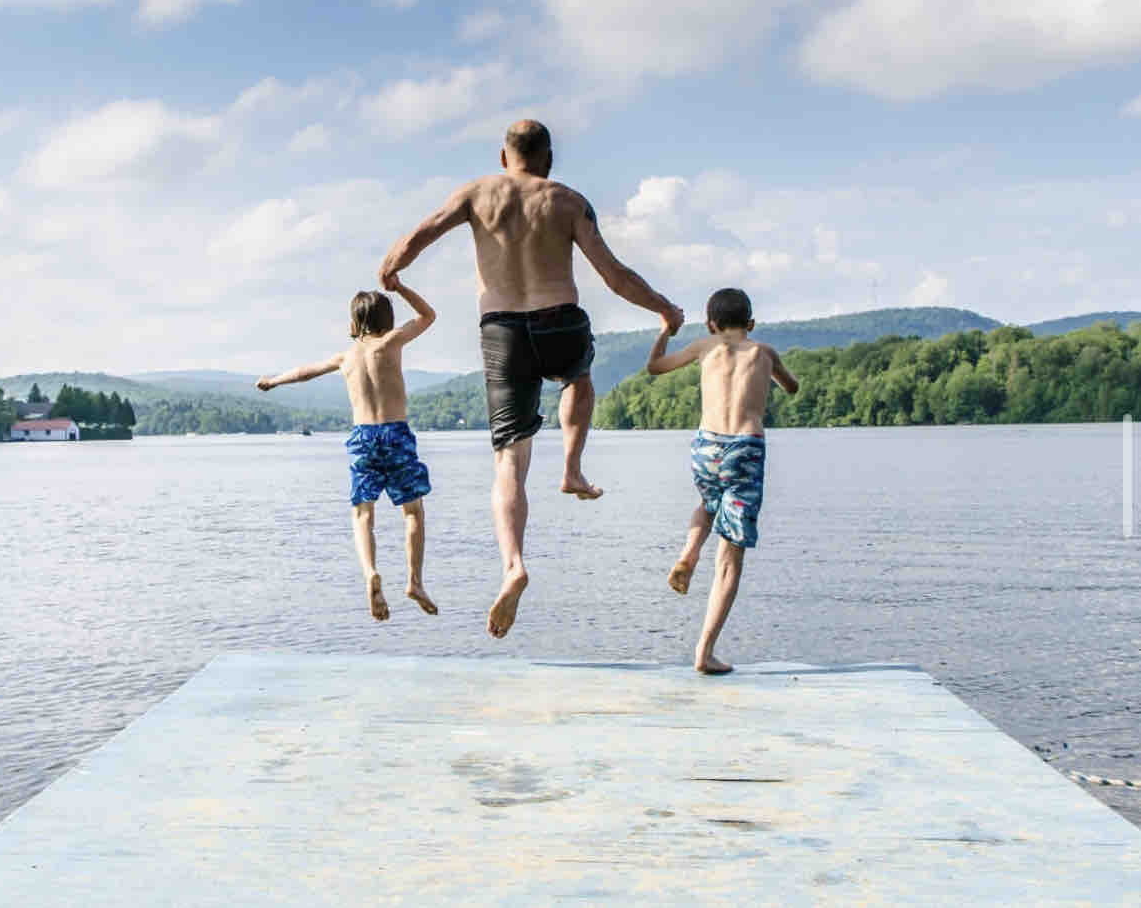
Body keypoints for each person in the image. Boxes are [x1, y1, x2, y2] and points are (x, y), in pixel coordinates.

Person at [378, 119, 684, 639]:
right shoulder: (566, 200)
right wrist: (665, 309)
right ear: (548, 160)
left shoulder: (478, 193)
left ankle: (513, 565)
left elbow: (424, 229)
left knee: (508, 464)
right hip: (560, 319)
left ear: (504, 158)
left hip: (502, 331)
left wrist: (391, 269)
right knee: (578, 374)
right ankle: (572, 468)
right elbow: (615, 275)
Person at [256, 278, 438, 623]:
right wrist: (399, 287)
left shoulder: (345, 357)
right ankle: (414, 582)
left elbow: (305, 373)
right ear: (387, 321)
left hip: (363, 437)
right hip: (396, 434)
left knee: (362, 514)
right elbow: (428, 315)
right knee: (412, 512)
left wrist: (274, 380)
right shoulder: (393, 341)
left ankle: (370, 571)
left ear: (354, 325)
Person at [646, 287, 798, 674]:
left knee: (707, 503)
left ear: (712, 324)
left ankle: (689, 551)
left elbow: (656, 366)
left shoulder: (703, 347)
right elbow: (793, 386)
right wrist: (774, 378)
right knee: (730, 560)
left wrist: (666, 330)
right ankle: (705, 652)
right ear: (750, 323)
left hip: (706, 446)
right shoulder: (763, 352)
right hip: (745, 447)